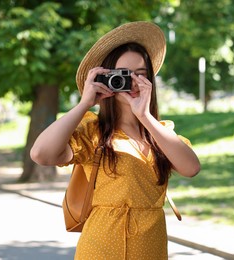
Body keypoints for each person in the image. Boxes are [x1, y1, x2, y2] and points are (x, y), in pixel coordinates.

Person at [31, 21, 200, 260]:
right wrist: (84, 103)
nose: (130, 82)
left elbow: (191, 168)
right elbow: (41, 154)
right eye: (122, 75)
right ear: (107, 78)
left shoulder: (161, 132)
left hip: (150, 250)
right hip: (101, 248)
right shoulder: (93, 132)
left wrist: (145, 116)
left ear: (150, 81)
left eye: (139, 75)